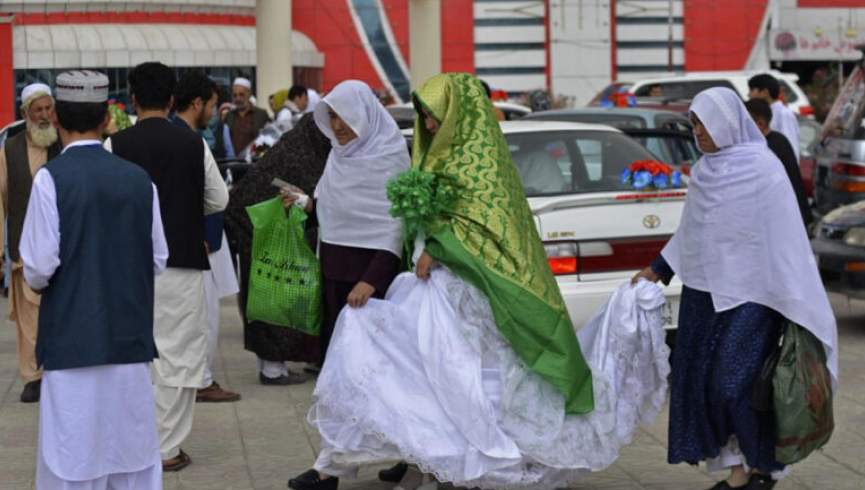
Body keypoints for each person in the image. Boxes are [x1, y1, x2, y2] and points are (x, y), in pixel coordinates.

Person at [287, 73, 671, 490]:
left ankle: (424, 463)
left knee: (455, 380)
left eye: (434, 116)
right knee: (415, 376)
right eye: (425, 116)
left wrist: (439, 247)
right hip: (429, 287)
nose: (428, 125)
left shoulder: (481, 162)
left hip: (466, 293)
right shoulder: (433, 155)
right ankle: (402, 461)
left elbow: (487, 226)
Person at [633, 87, 838, 490]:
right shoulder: (706, 171)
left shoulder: (764, 169)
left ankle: (765, 467)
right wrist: (657, 269)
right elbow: (691, 232)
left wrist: (793, 296)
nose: (698, 132)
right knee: (709, 386)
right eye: (694, 124)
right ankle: (738, 472)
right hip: (704, 295)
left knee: (736, 384)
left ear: (727, 122)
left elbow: (786, 239)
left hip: (753, 297)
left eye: (704, 123)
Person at [21, 69, 168, 489]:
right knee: (131, 453)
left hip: (71, 341)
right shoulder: (139, 180)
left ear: (58, 121)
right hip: (129, 340)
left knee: (72, 456)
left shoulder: (51, 180)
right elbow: (158, 259)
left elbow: (38, 267)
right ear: (106, 119)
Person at [105, 62, 230, 472]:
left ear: (133, 99)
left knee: (138, 357)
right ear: (173, 100)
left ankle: (135, 441)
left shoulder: (114, 145)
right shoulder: (193, 144)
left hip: (130, 269)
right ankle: (167, 448)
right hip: (182, 264)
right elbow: (219, 200)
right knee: (178, 356)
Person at [290, 80, 407, 370]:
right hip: (333, 275)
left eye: (344, 116)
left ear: (363, 114)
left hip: (371, 282)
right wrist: (304, 203)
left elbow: (395, 228)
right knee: (338, 361)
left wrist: (370, 281)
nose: (337, 126)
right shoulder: (338, 156)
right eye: (332, 116)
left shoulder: (391, 159)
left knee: (371, 366)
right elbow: (330, 211)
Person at [224, 113, 330, 384]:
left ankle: (274, 366)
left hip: (258, 231)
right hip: (265, 232)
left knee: (265, 299)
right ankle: (272, 369)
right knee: (274, 300)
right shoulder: (303, 156)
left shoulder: (292, 147)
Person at [174, 70, 241, 403]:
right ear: (197, 103)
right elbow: (215, 198)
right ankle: (200, 379)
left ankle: (200, 376)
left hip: (198, 237)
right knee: (203, 315)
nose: (215, 113)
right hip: (198, 239)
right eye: (212, 105)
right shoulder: (188, 140)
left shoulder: (179, 136)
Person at [0, 82, 62, 403]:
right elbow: (2, 200)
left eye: (48, 108)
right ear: (25, 113)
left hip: (60, 246)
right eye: (37, 110)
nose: (43, 115)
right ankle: (32, 376)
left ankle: (56, 368)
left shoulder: (63, 143)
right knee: (27, 318)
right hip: (24, 247)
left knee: (55, 311)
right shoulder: (9, 148)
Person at [745, 98, 812, 227]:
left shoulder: (769, 147)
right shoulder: (777, 140)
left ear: (760, 124)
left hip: (786, 217)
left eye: (745, 123)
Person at [748, 74, 800, 160]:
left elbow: (790, 146)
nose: (748, 94)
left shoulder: (783, 113)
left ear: (765, 92)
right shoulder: (765, 112)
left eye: (752, 90)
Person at [225, 77, 270, 156]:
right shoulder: (229, 115)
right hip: (233, 163)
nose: (238, 98)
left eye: (241, 95)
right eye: (235, 95)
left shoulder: (261, 115)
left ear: (249, 94)